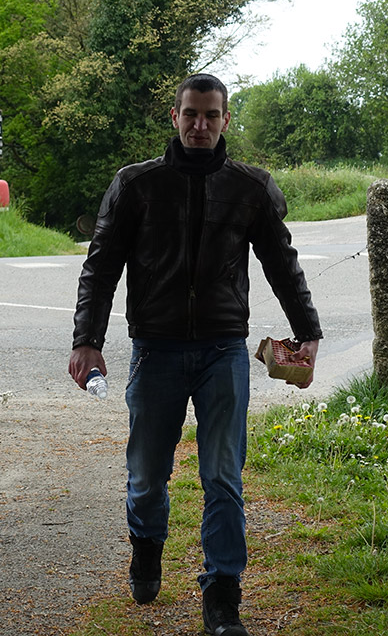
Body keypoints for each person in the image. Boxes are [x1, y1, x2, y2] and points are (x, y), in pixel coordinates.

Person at [68, 74, 322, 636]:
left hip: (222, 350)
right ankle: (146, 545)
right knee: (146, 475)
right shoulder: (136, 185)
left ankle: (222, 598)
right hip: (155, 350)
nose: (200, 125)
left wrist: (307, 330)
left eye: (211, 115)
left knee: (223, 477)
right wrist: (87, 340)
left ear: (226, 119)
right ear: (175, 117)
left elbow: (282, 262)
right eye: (191, 114)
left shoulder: (251, 188)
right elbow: (100, 267)